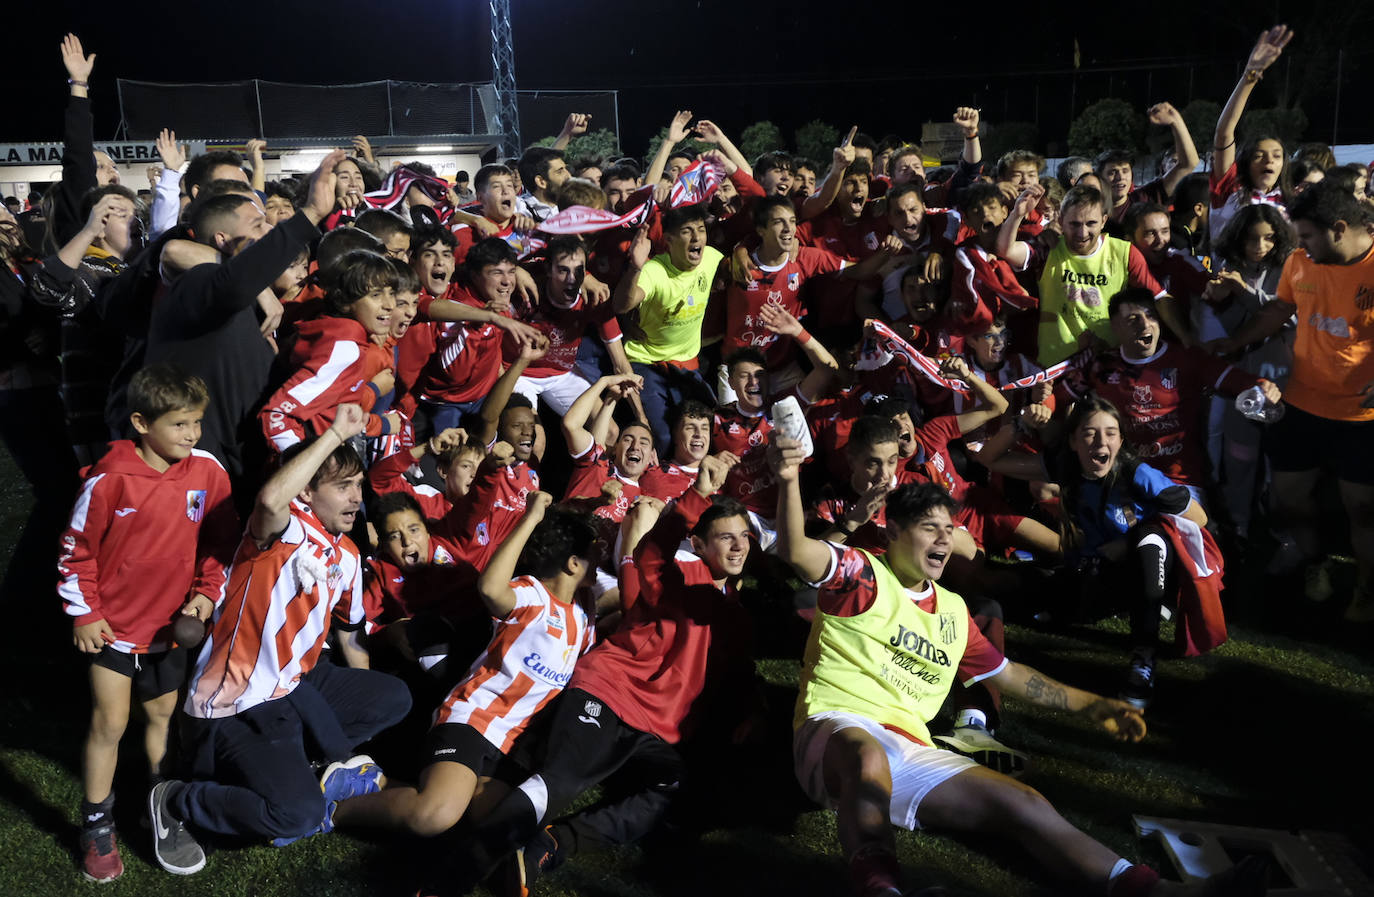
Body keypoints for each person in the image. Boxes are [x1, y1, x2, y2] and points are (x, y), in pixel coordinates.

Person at [769, 440, 1259, 897]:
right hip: (835, 729)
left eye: (949, 528)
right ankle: (882, 889)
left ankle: (1160, 891)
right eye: (928, 528)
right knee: (866, 756)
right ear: (893, 531)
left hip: (910, 748)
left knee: (1023, 803)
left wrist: (1093, 707)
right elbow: (795, 551)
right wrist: (789, 477)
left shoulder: (953, 611)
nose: (944, 539)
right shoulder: (863, 575)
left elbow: (1009, 676)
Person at [431, 456, 760, 896]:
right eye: (725, 538)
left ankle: (552, 844)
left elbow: (740, 673)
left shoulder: (739, 619)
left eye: (744, 537)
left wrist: (752, 710)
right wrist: (695, 497)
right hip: (606, 694)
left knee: (673, 787)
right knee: (564, 779)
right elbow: (652, 551)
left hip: (657, 730)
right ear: (699, 545)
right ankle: (452, 877)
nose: (738, 547)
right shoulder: (676, 577)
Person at [150, 405, 411, 872]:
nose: (356, 499)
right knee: (298, 815)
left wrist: (346, 752)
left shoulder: (349, 555)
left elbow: (351, 642)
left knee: (392, 698)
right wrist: (333, 434)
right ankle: (177, 800)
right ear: (308, 492)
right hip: (237, 703)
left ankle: (312, 766)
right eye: (342, 486)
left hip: (292, 689)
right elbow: (271, 500)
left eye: (358, 486)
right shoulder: (282, 532)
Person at [58, 364, 237, 882]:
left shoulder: (208, 472)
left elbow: (220, 545)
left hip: (170, 631)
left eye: (197, 423)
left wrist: (204, 597)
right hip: (112, 630)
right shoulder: (109, 479)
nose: (193, 435)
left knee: (162, 719)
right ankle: (96, 824)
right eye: (180, 424)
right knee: (110, 724)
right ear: (141, 422)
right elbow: (76, 553)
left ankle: (160, 805)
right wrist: (85, 613)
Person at [331, 493, 598, 837]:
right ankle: (331, 811)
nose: (602, 559)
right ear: (573, 564)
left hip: (511, 745)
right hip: (474, 720)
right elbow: (489, 587)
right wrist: (529, 519)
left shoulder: (583, 615)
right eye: (594, 554)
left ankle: (377, 779)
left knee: (500, 825)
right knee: (434, 816)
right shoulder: (531, 596)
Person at [1207, 181, 1374, 621]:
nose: (1297, 246)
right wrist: (1235, 342)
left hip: (1362, 417)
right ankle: (1315, 561)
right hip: (1302, 406)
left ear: (1339, 228)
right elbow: (1278, 310)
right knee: (1288, 500)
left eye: (1306, 236)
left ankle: (1365, 589)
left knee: (1363, 510)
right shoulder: (1301, 262)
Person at [142, 149, 345, 488]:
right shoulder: (194, 285)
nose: (270, 229)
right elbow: (227, 280)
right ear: (221, 240)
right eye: (258, 224)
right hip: (202, 469)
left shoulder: (248, 290)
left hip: (241, 462)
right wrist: (309, 213)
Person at [1054, 397, 1222, 707]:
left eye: (1111, 432)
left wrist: (1128, 542)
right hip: (1102, 569)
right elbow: (992, 460)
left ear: (1121, 440)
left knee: (1149, 537)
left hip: (1153, 566)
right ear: (1073, 440)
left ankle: (1144, 656)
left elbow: (1200, 518)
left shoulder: (1137, 473)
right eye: (1090, 433)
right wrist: (1019, 425)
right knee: (1045, 601)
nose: (1101, 442)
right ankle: (1135, 604)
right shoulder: (1066, 467)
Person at [996, 183, 1183, 365]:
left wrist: (1187, 341)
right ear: (1060, 220)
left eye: (1091, 223)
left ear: (1103, 221)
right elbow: (1006, 251)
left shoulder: (1125, 253)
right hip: (1056, 365)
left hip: (1107, 362)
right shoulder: (1048, 247)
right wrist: (1017, 214)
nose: (1082, 232)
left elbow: (1159, 298)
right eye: (1074, 224)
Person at [260, 250, 401, 453]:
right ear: (345, 302)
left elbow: (331, 410)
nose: (390, 305)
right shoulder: (344, 349)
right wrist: (302, 470)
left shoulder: (336, 331)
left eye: (392, 294)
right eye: (376, 295)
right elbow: (276, 415)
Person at [613, 203, 725, 451]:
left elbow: (738, 260)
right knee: (662, 439)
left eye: (700, 229)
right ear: (670, 240)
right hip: (647, 363)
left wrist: (741, 253)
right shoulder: (654, 271)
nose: (697, 237)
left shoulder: (712, 258)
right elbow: (622, 305)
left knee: (708, 436)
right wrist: (635, 266)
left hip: (687, 364)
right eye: (687, 231)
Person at [1209, 25, 1294, 241]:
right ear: (1245, 163)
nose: (1269, 160)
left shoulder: (1292, 203)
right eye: (1259, 155)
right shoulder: (1229, 191)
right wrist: (1250, 75)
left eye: (1277, 156)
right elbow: (1224, 133)